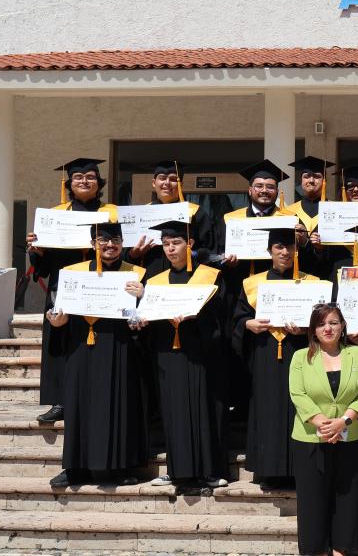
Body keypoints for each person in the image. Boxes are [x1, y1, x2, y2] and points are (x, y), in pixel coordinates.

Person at [47, 222, 147, 487]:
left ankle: (115, 469)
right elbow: (57, 311)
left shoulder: (136, 274)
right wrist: (56, 322)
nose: (110, 245)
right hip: (80, 346)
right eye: (103, 240)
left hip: (118, 347)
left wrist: (143, 298)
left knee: (116, 406)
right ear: (93, 244)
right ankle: (74, 469)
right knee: (79, 405)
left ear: (123, 243)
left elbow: (144, 317)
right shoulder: (72, 273)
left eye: (115, 240)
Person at [27, 157, 118, 424]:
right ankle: (61, 401)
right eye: (78, 177)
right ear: (70, 183)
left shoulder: (111, 213)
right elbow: (41, 267)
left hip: (102, 286)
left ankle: (97, 396)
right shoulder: (56, 215)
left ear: (99, 183)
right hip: (63, 287)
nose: (84, 181)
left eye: (90, 177)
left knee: (101, 343)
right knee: (61, 344)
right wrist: (38, 250)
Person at [138, 221, 228, 488]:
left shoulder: (210, 276)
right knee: (173, 411)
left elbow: (221, 319)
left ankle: (208, 472)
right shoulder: (155, 281)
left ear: (189, 244)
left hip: (201, 353)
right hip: (167, 354)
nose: (170, 249)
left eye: (175, 243)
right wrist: (142, 320)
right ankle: (177, 470)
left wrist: (197, 318)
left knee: (203, 410)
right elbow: (149, 320)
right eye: (165, 244)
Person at [232, 227, 318, 490]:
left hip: (300, 353)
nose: (285, 252)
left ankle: (299, 468)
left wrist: (306, 330)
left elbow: (326, 323)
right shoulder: (253, 283)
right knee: (267, 408)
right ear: (269, 251)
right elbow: (237, 318)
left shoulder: (312, 283)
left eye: (290, 247)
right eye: (279, 247)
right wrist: (248, 324)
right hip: (265, 354)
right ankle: (269, 469)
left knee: (300, 408)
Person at [289, 304, 358, 556]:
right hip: (310, 438)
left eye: (334, 323)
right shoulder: (300, 357)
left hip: (350, 436)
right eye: (322, 324)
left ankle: (341, 550)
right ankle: (316, 550)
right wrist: (324, 423)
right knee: (312, 501)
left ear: (343, 326)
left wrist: (343, 421)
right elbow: (298, 393)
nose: (328, 328)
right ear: (313, 330)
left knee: (346, 498)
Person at [219, 159, 292, 415]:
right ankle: (239, 407)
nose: (264, 190)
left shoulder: (289, 220)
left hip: (278, 289)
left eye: (270, 186)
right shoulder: (231, 219)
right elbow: (215, 255)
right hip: (239, 290)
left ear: (277, 191)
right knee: (237, 345)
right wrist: (225, 260)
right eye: (259, 186)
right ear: (249, 190)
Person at [128, 160, 215, 274]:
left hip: (187, 277)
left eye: (173, 179)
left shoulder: (195, 212)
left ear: (181, 184)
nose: (167, 183)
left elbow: (210, 249)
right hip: (151, 275)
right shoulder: (141, 214)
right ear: (154, 183)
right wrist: (133, 254)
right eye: (162, 178)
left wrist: (191, 253)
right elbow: (125, 252)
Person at [285, 155, 334, 279]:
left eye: (317, 176)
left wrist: (321, 249)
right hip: (296, 277)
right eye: (306, 176)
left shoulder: (336, 210)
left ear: (324, 181)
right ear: (301, 181)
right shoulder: (288, 212)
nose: (311, 180)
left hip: (328, 276)